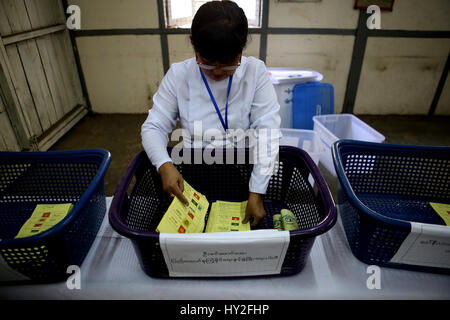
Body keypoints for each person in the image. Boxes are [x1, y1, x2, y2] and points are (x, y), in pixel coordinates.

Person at [141, 0, 280, 227]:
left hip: (240, 168)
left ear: (242, 50)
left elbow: (268, 130)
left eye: (228, 64)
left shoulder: (255, 72)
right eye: (207, 63)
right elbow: (154, 126)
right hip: (193, 169)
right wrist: (164, 164)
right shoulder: (179, 75)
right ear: (195, 49)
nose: (217, 72)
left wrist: (257, 191)